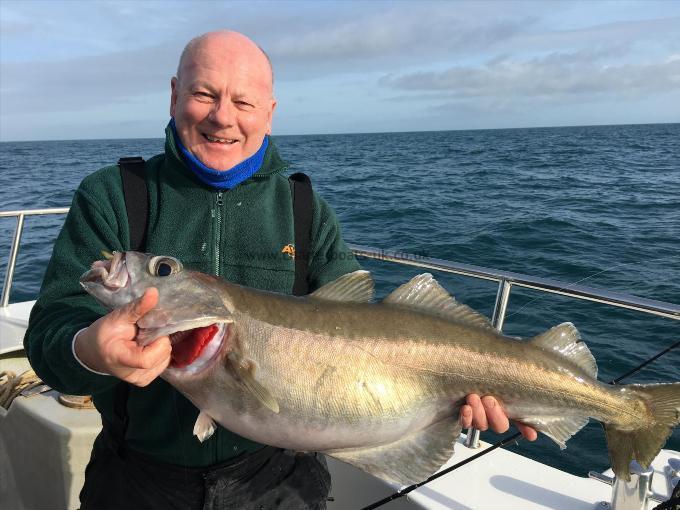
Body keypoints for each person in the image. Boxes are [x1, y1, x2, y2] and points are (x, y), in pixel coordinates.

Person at [24, 30, 534, 510]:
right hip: (136, 479)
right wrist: (88, 349)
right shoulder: (114, 195)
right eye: (205, 94)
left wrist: (465, 389)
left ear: (268, 113)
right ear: (174, 95)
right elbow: (52, 334)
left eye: (243, 102)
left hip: (281, 482)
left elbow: (356, 323)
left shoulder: (305, 209)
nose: (224, 117)